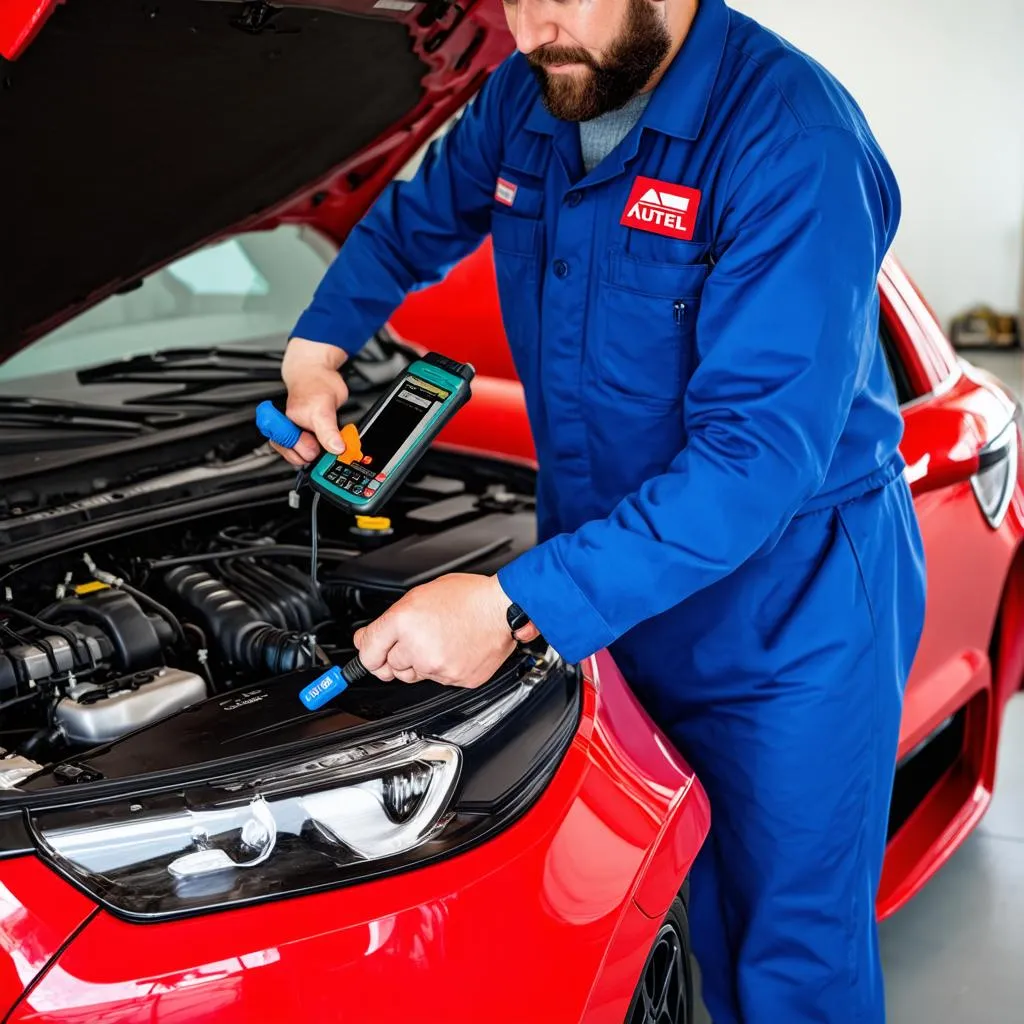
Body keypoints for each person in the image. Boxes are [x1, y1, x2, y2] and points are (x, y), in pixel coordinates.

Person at [273, 0, 927, 1020]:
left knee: (785, 946)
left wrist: (510, 604)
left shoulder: (790, 138)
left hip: (788, 608)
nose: (530, 32)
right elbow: (412, 223)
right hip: (613, 574)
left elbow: (754, 462)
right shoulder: (528, 94)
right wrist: (319, 345)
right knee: (678, 901)